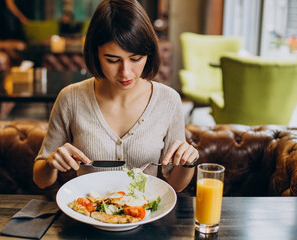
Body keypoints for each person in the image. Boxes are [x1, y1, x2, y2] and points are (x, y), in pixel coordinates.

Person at [33, 0, 199, 193]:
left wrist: (188, 162)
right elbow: (41, 179)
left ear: (149, 53)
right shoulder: (71, 98)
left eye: (136, 59)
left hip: (144, 217)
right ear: (95, 52)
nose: (125, 72)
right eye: (112, 60)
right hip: (87, 215)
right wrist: (51, 163)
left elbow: (176, 185)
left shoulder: (168, 100)